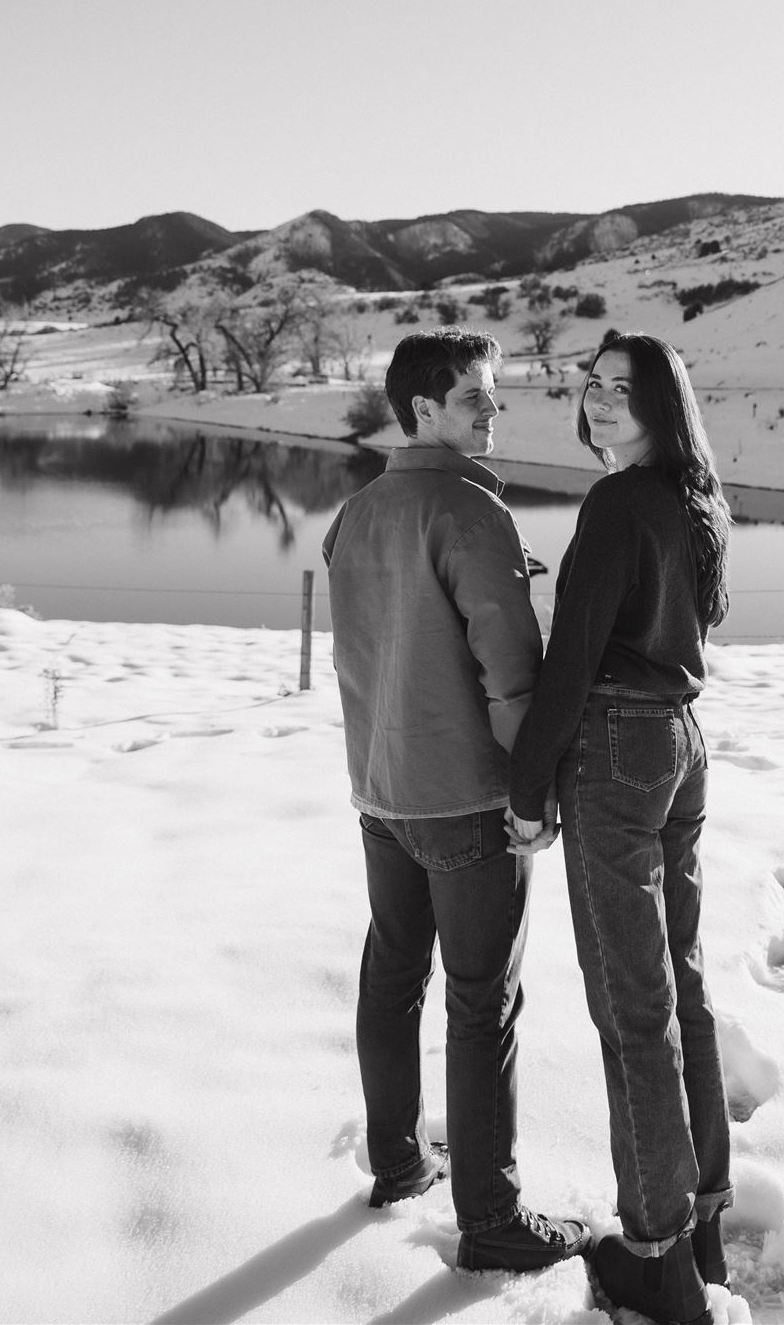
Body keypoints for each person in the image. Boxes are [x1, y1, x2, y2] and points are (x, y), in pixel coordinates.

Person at [322, 328, 590, 1275]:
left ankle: (398, 1162)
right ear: (423, 409)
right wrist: (531, 793)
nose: (493, 412)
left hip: (381, 794)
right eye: (476, 397)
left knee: (393, 979)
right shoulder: (473, 515)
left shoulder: (357, 512)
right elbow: (512, 677)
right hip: (469, 803)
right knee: (483, 1005)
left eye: (493, 396)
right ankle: (492, 1219)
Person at [506, 330, 733, 1325]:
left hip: (618, 753)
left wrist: (528, 783)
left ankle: (657, 1258)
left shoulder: (616, 502)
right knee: (680, 978)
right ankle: (704, 1215)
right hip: (683, 741)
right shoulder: (693, 495)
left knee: (633, 1006)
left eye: (621, 389)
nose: (599, 402)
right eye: (590, 386)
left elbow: (574, 656)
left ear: (662, 399)